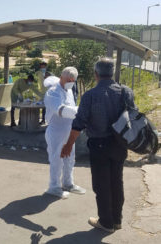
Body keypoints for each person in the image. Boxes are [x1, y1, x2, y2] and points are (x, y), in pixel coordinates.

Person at [61, 58, 136, 232]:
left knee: (102, 185)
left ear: (96, 74)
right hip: (120, 145)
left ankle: (106, 223)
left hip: (99, 146)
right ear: (112, 73)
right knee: (116, 182)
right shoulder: (126, 92)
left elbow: (79, 123)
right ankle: (117, 220)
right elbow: (133, 116)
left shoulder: (90, 95)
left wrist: (67, 145)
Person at [44, 67, 86, 199]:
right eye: (69, 80)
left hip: (68, 130)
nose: (71, 82)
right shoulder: (53, 92)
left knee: (69, 158)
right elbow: (61, 110)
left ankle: (68, 183)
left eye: (73, 81)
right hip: (56, 131)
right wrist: (81, 111)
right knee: (56, 159)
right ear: (61, 78)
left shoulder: (68, 91)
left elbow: (70, 109)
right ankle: (54, 187)